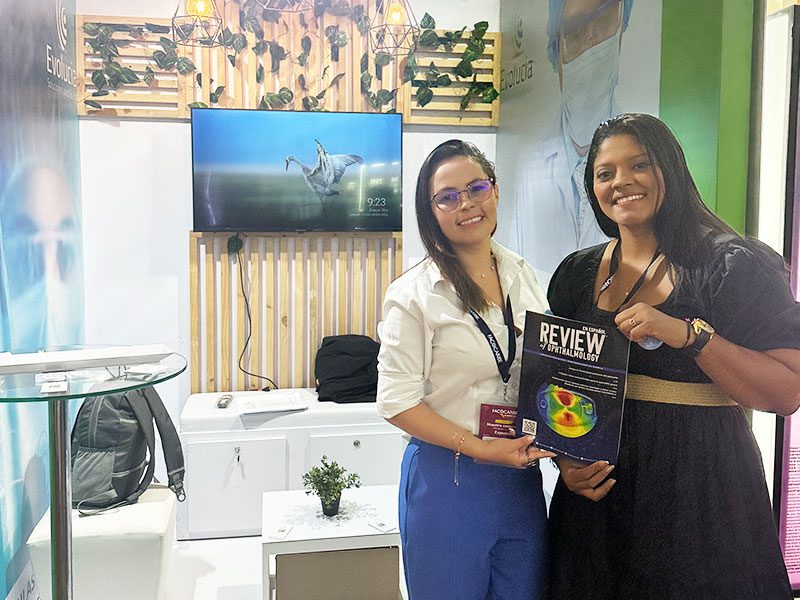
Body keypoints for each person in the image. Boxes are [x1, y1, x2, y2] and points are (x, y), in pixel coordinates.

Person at [546, 113, 800, 599]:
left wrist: (690, 336)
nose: (622, 182)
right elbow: (559, 384)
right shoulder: (576, 274)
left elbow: (786, 392)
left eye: (639, 165)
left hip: (701, 490)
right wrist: (564, 460)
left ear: (671, 168)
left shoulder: (733, 265)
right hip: (600, 500)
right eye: (605, 173)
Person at [376, 140, 555, 599]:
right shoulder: (414, 294)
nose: (467, 204)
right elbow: (396, 402)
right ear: (430, 211)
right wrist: (479, 448)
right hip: (448, 477)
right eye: (448, 197)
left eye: (476, 188)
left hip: (519, 477)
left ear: (495, 189)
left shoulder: (523, 274)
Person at [497, 0, 634, 278]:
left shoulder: (644, 163)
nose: (591, 42)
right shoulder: (532, 168)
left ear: (621, 30)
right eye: (575, 31)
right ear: (556, 53)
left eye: (603, 20)